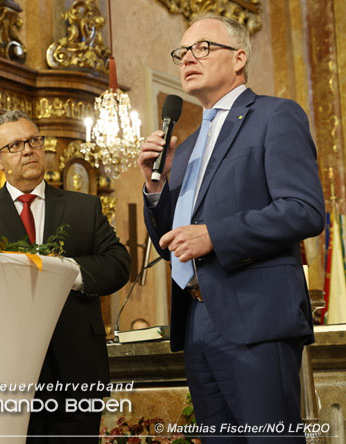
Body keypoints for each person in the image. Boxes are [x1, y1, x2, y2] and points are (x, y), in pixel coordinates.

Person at [137, 14, 325, 443]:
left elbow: (304, 210)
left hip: (256, 319)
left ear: (239, 57)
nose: (188, 58)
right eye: (182, 52)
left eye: (202, 47)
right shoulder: (182, 152)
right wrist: (156, 186)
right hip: (199, 318)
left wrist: (215, 235)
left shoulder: (274, 116)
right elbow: (172, 244)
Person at [0, 110, 130, 443]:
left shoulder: (84, 207)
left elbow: (119, 264)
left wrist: (66, 273)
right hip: (6, 370)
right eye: (16, 145)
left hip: (76, 367)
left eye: (34, 140)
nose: (28, 150)